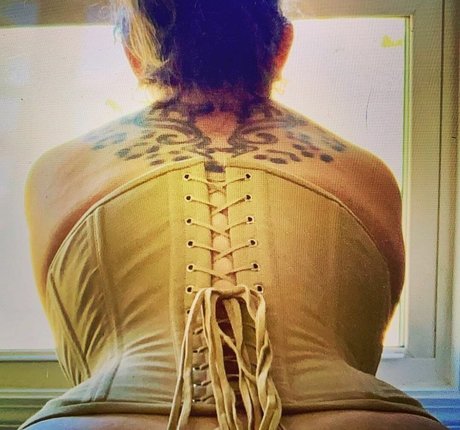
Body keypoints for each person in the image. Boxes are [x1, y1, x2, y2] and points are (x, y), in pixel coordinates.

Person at [20, 1, 447, 429]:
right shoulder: (366, 172)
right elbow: (363, 348)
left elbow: (81, 359)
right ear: (283, 47)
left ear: (135, 53)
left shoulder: (58, 172)